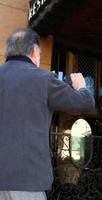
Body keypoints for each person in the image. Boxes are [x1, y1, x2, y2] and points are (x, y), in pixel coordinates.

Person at [0, 28, 95, 200]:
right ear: (34, 51)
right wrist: (82, 86)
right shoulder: (43, 79)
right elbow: (85, 103)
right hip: (26, 181)